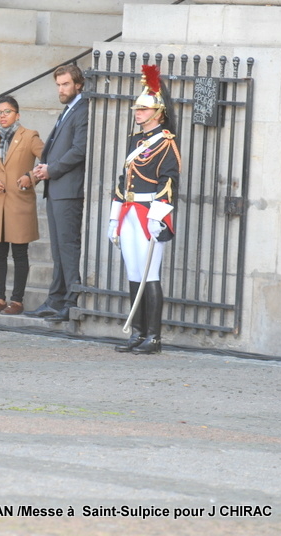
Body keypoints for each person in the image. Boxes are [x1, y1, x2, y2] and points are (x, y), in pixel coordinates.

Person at [108, 65, 179, 355]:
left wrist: (157, 217)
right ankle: (137, 332)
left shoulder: (166, 143)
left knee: (150, 275)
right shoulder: (134, 141)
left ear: (158, 113)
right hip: (128, 210)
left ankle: (154, 337)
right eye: (137, 108)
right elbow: (123, 180)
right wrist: (113, 218)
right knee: (134, 272)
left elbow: (168, 181)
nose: (138, 113)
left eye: (144, 109)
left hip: (149, 213)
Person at [27, 64, 89, 322]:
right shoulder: (69, 109)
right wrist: (44, 167)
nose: (61, 89)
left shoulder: (83, 109)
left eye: (65, 84)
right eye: (58, 85)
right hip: (56, 189)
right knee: (58, 249)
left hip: (69, 189)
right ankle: (55, 299)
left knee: (68, 248)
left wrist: (52, 169)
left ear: (78, 85)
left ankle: (71, 302)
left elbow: (79, 149)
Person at [0, 96, 44, 316]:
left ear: (17, 114)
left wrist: (30, 177)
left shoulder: (30, 136)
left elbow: (47, 161)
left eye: (7, 112)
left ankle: (17, 300)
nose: (2, 116)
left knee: (19, 253)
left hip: (19, 203)